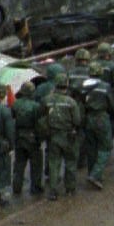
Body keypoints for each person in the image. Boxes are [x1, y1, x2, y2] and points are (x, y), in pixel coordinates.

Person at [44, 68, 81, 198]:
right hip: (68, 135)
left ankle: (53, 190)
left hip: (53, 135)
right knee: (70, 162)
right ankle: (70, 188)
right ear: (66, 85)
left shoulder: (47, 100)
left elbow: (42, 116)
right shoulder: (71, 102)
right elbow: (77, 120)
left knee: (54, 163)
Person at [10, 77, 45, 198]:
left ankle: (16, 187)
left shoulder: (15, 104)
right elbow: (39, 124)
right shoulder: (36, 106)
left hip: (19, 136)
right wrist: (40, 138)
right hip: (32, 137)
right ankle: (35, 187)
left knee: (19, 164)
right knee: (36, 164)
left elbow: (12, 117)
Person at [80, 71, 114, 191]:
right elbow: (111, 104)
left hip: (88, 118)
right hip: (101, 117)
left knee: (91, 147)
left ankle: (92, 173)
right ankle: (95, 175)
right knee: (106, 147)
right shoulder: (105, 86)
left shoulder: (83, 86)